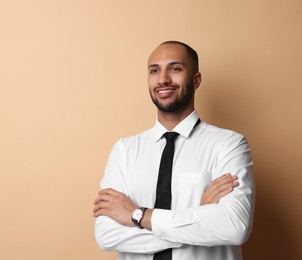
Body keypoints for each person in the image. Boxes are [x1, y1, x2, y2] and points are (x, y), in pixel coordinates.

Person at [93, 41, 255, 260]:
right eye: (154, 71)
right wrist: (197, 219)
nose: (163, 79)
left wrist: (137, 215)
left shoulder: (229, 145)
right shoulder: (124, 151)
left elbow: (234, 227)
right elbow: (106, 235)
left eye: (175, 69)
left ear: (196, 80)